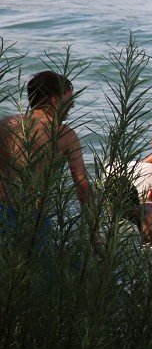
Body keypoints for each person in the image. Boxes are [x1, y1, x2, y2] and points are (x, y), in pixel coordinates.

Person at [0, 71, 91, 241]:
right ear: (55, 101)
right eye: (69, 100)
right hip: (32, 219)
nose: (72, 106)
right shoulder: (65, 135)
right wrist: (94, 231)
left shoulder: (6, 124)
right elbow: (82, 186)